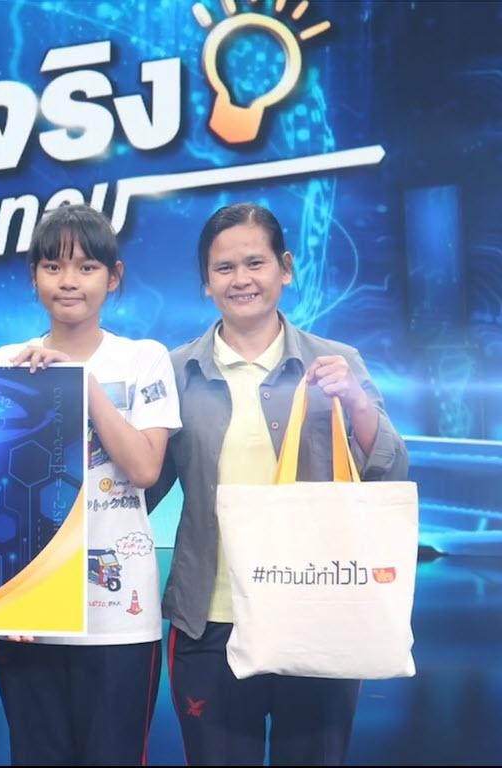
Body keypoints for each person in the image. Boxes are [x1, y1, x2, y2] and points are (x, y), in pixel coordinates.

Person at [146, 201, 409, 766]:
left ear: (285, 268)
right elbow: (143, 484)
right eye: (224, 268)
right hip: (211, 620)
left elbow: (389, 471)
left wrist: (357, 402)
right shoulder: (176, 372)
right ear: (206, 283)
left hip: (318, 612)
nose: (241, 279)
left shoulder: (337, 361)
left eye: (255, 263)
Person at [0, 203, 180, 765]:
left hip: (119, 618)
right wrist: (1, 602)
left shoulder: (143, 360)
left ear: (113, 278)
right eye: (53, 266)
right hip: (29, 614)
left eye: (86, 267)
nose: (68, 281)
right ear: (34, 277)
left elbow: (144, 469)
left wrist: (80, 384)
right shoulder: (5, 362)